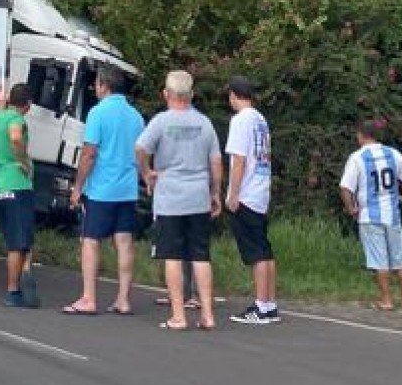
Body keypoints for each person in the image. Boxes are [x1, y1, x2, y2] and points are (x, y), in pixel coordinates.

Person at [134, 69, 223, 331]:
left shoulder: (161, 122)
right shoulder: (205, 123)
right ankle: (207, 314)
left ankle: (178, 315)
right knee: (200, 255)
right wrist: (215, 192)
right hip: (198, 196)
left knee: (171, 254)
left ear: (166, 94)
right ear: (192, 95)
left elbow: (140, 148)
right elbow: (216, 161)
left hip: (170, 196)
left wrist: (147, 172)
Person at [61, 67, 144, 316]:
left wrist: (77, 187)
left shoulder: (97, 113)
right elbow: (142, 152)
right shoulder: (136, 116)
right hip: (127, 188)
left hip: (101, 189)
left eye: (96, 84)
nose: (95, 88)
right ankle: (123, 299)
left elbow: (89, 153)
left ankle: (88, 298)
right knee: (124, 240)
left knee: (90, 240)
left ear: (104, 86)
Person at [338, 118, 402, 310]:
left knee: (378, 259)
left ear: (360, 136)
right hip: (392, 213)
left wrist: (351, 209)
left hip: (369, 215)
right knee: (400, 257)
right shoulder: (392, 153)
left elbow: (345, 187)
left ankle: (386, 300)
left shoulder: (357, 158)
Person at [224, 77, 279, 325]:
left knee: (255, 253)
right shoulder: (260, 119)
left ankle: (260, 305)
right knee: (264, 250)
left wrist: (232, 193)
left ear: (234, 95)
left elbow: (239, 160)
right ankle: (269, 303)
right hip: (261, 188)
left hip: (246, 191)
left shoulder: (240, 121)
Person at [0, 83, 38, 308]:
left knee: (15, 239)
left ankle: (24, 273)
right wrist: (23, 160)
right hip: (17, 184)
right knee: (19, 243)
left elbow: (2, 108)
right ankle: (13, 291)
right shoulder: (16, 120)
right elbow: (16, 138)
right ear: (27, 105)